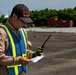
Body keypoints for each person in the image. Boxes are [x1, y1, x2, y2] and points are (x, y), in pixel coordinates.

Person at [0, 4, 43, 75]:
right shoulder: (2, 32)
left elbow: (23, 51)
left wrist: (34, 55)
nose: (25, 24)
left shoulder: (23, 32)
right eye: (22, 21)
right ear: (14, 17)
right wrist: (19, 60)